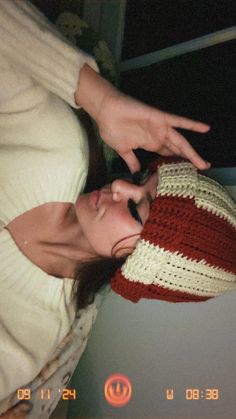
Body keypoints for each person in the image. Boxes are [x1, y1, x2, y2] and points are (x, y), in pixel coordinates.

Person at [0, 0, 213, 416]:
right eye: (137, 181)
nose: (117, 185)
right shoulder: (57, 148)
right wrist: (100, 100)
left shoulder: (33, 335)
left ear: (135, 266)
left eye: (137, 211)